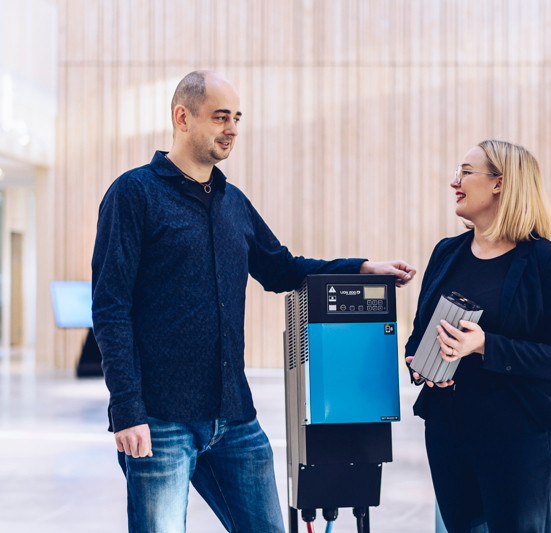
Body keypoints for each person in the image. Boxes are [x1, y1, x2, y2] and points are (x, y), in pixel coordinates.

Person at [91, 70, 416, 533]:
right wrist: (127, 411)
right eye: (221, 117)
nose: (232, 130)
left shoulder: (233, 203)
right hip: (160, 421)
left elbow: (282, 268)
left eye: (237, 119)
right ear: (182, 117)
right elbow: (110, 307)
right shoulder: (134, 194)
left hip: (235, 419)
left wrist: (361, 269)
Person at [404, 140, 551, 532]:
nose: (455, 182)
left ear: (500, 183)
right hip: (448, 432)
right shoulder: (446, 253)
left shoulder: (549, 261)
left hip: (516, 438)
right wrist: (418, 362)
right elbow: (419, 333)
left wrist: (484, 344)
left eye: (466, 172)